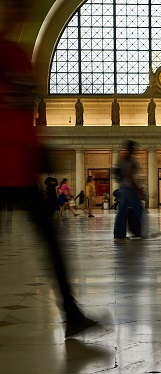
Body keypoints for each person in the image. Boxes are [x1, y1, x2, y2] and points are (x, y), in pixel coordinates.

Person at [0, 0, 99, 338]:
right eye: (14, 6)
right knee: (51, 244)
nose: (19, 13)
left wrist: (37, 149)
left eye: (21, 8)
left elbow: (30, 114)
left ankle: (71, 314)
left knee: (53, 245)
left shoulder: (20, 56)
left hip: (20, 170)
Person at [114, 140, 144, 239]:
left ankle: (119, 234)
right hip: (129, 188)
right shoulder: (129, 160)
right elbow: (130, 176)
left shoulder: (123, 159)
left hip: (124, 188)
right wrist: (138, 189)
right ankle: (136, 231)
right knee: (138, 209)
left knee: (122, 211)